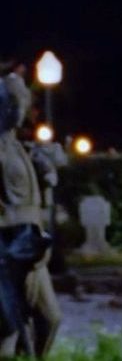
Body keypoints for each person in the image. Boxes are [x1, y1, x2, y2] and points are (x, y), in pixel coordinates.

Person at [0, 71, 61, 356]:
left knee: (51, 319)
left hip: (32, 247)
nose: (17, 111)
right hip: (9, 250)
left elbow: (31, 195)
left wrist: (46, 174)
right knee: (8, 331)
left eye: (20, 104)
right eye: (11, 104)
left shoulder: (19, 147)